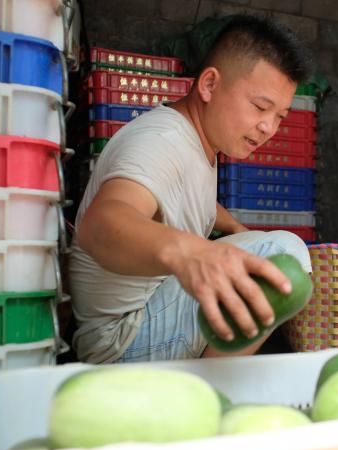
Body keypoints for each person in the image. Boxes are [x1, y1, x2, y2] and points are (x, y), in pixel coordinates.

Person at [69, 15, 314, 364]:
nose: (268, 127)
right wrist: (191, 253)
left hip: (142, 322)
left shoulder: (199, 140)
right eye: (260, 107)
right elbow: (101, 224)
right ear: (210, 85)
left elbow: (190, 198)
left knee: (259, 251)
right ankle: (209, 391)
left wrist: (233, 229)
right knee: (284, 254)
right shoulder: (160, 141)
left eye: (280, 116)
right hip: (121, 342)